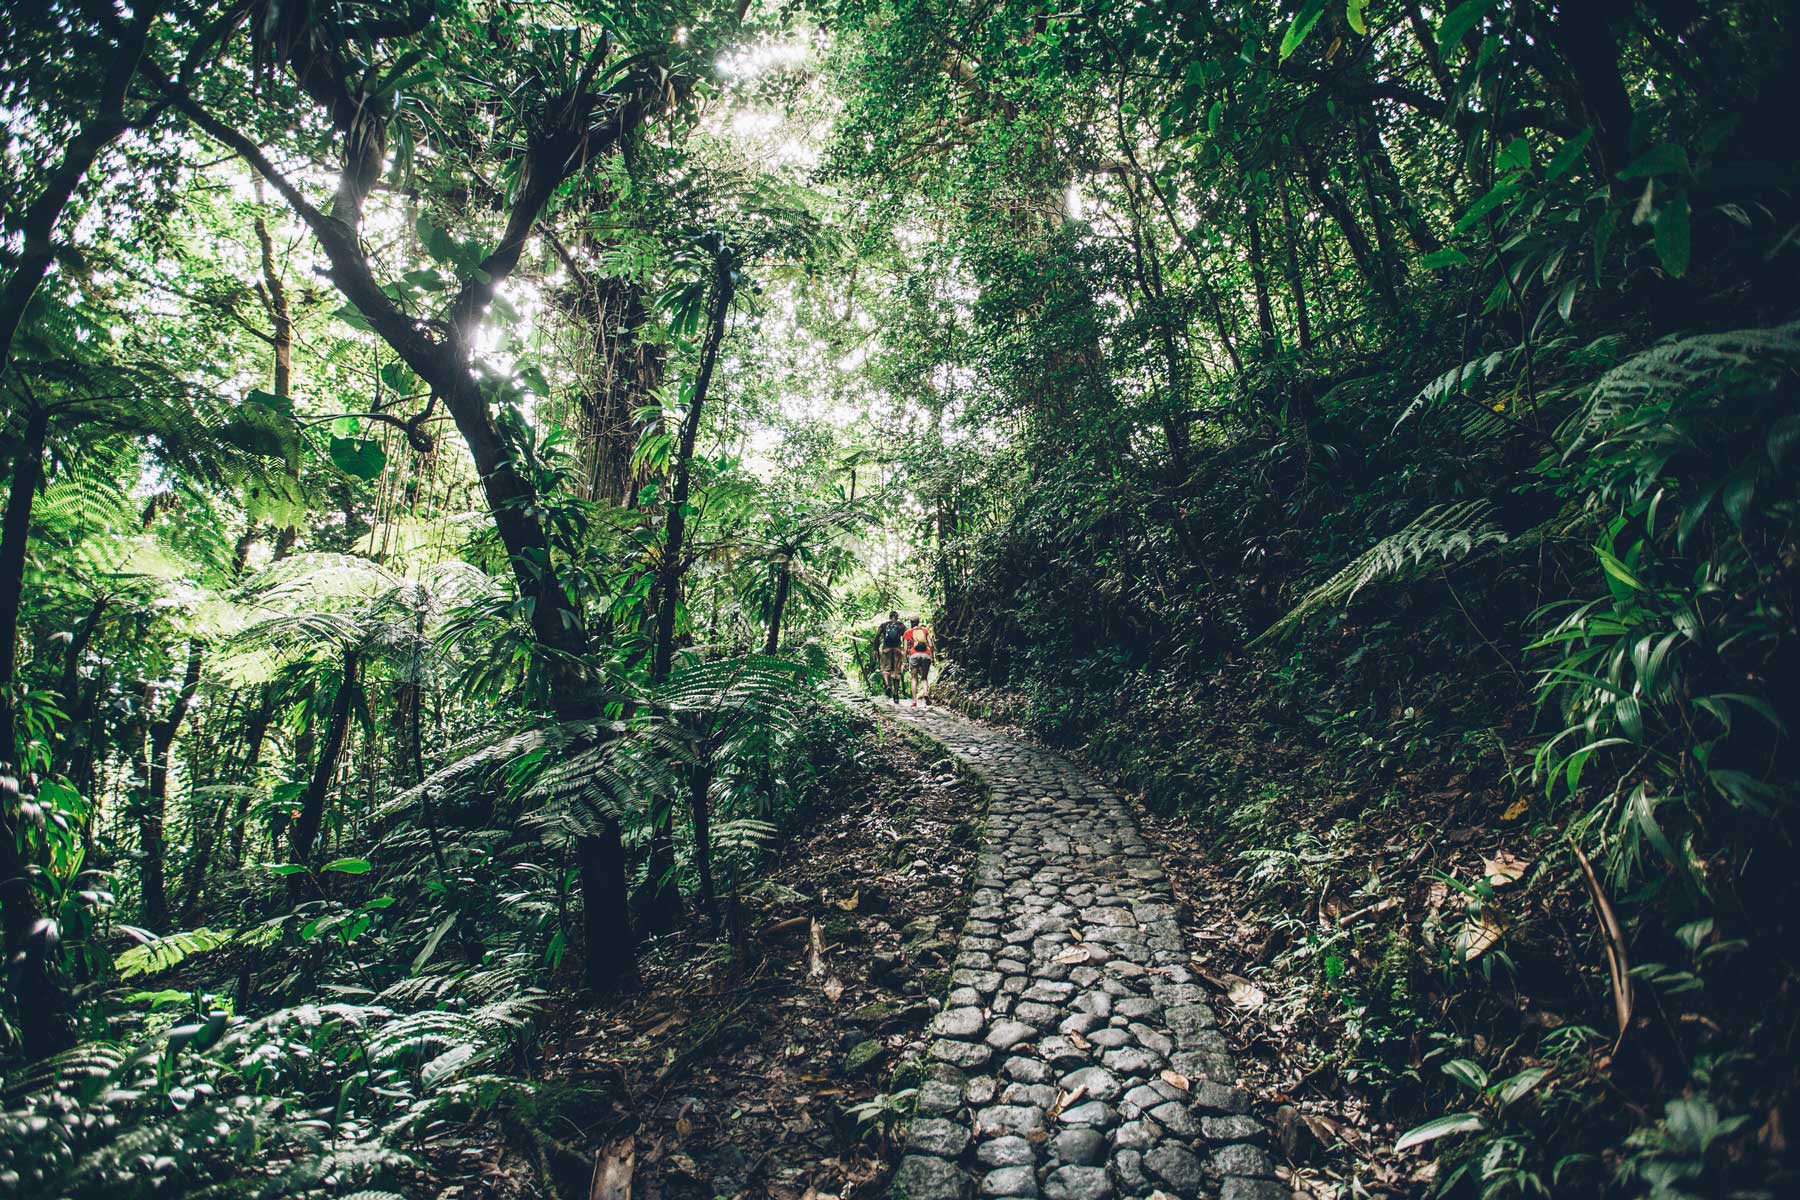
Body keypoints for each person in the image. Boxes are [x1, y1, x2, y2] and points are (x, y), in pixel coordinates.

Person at [875, 611, 908, 702]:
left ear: (890, 617)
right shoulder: (901, 626)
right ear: (897, 617)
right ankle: (896, 694)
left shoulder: (884, 625)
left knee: (885, 670)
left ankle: (888, 685)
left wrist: (875, 649)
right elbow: (907, 637)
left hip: (886, 650)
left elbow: (877, 636)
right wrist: (905, 652)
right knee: (896, 672)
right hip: (897, 651)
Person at [904, 616, 934, 705]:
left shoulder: (908, 632)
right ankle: (925, 692)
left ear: (911, 622)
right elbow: (931, 645)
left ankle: (914, 701)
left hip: (914, 655)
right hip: (926, 655)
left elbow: (905, 649)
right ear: (918, 622)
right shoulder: (925, 631)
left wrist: (905, 661)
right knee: (924, 678)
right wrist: (932, 656)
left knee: (914, 678)